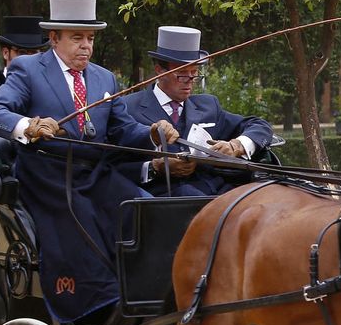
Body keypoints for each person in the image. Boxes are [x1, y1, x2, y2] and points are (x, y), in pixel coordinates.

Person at [0, 0, 178, 325]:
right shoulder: (28, 69)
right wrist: (28, 125)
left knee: (142, 208)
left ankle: (150, 294)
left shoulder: (104, 78)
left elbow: (122, 130)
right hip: (47, 174)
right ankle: (101, 303)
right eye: (77, 38)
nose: (85, 46)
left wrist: (153, 133)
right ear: (54, 38)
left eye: (90, 38)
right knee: (81, 216)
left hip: (94, 172)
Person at [117, 26, 274, 198]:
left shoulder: (208, 105)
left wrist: (236, 146)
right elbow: (112, 167)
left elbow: (259, 125)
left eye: (194, 74)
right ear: (159, 71)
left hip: (218, 195)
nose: (190, 82)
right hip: (162, 203)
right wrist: (155, 167)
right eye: (182, 74)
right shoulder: (127, 108)